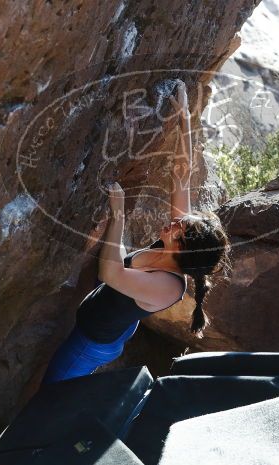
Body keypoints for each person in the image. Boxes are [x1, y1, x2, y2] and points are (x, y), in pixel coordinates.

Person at [43, 82, 231, 383]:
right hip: (110, 318)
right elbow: (181, 176)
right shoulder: (176, 247)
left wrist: (118, 216)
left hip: (89, 345)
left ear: (184, 250)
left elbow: (111, 274)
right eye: (182, 221)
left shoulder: (169, 287)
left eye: (179, 230)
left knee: (49, 398)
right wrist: (184, 117)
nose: (173, 223)